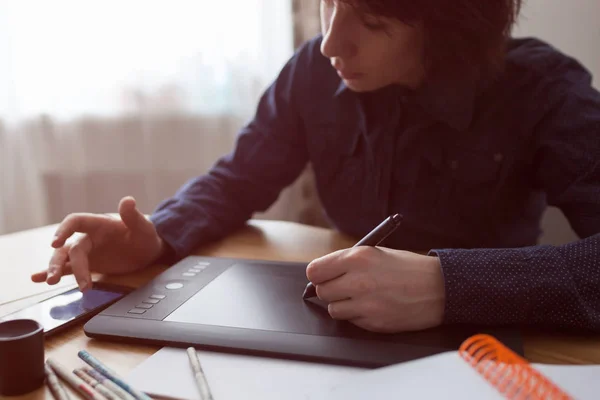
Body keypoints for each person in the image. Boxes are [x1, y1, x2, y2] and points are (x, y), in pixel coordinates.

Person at [32, 0, 599, 334]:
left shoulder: (544, 89)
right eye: (328, 1)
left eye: (372, 22)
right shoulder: (314, 70)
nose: (331, 43)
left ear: (448, 28)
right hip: (336, 328)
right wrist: (159, 236)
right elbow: (240, 175)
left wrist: (450, 286)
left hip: (484, 345)